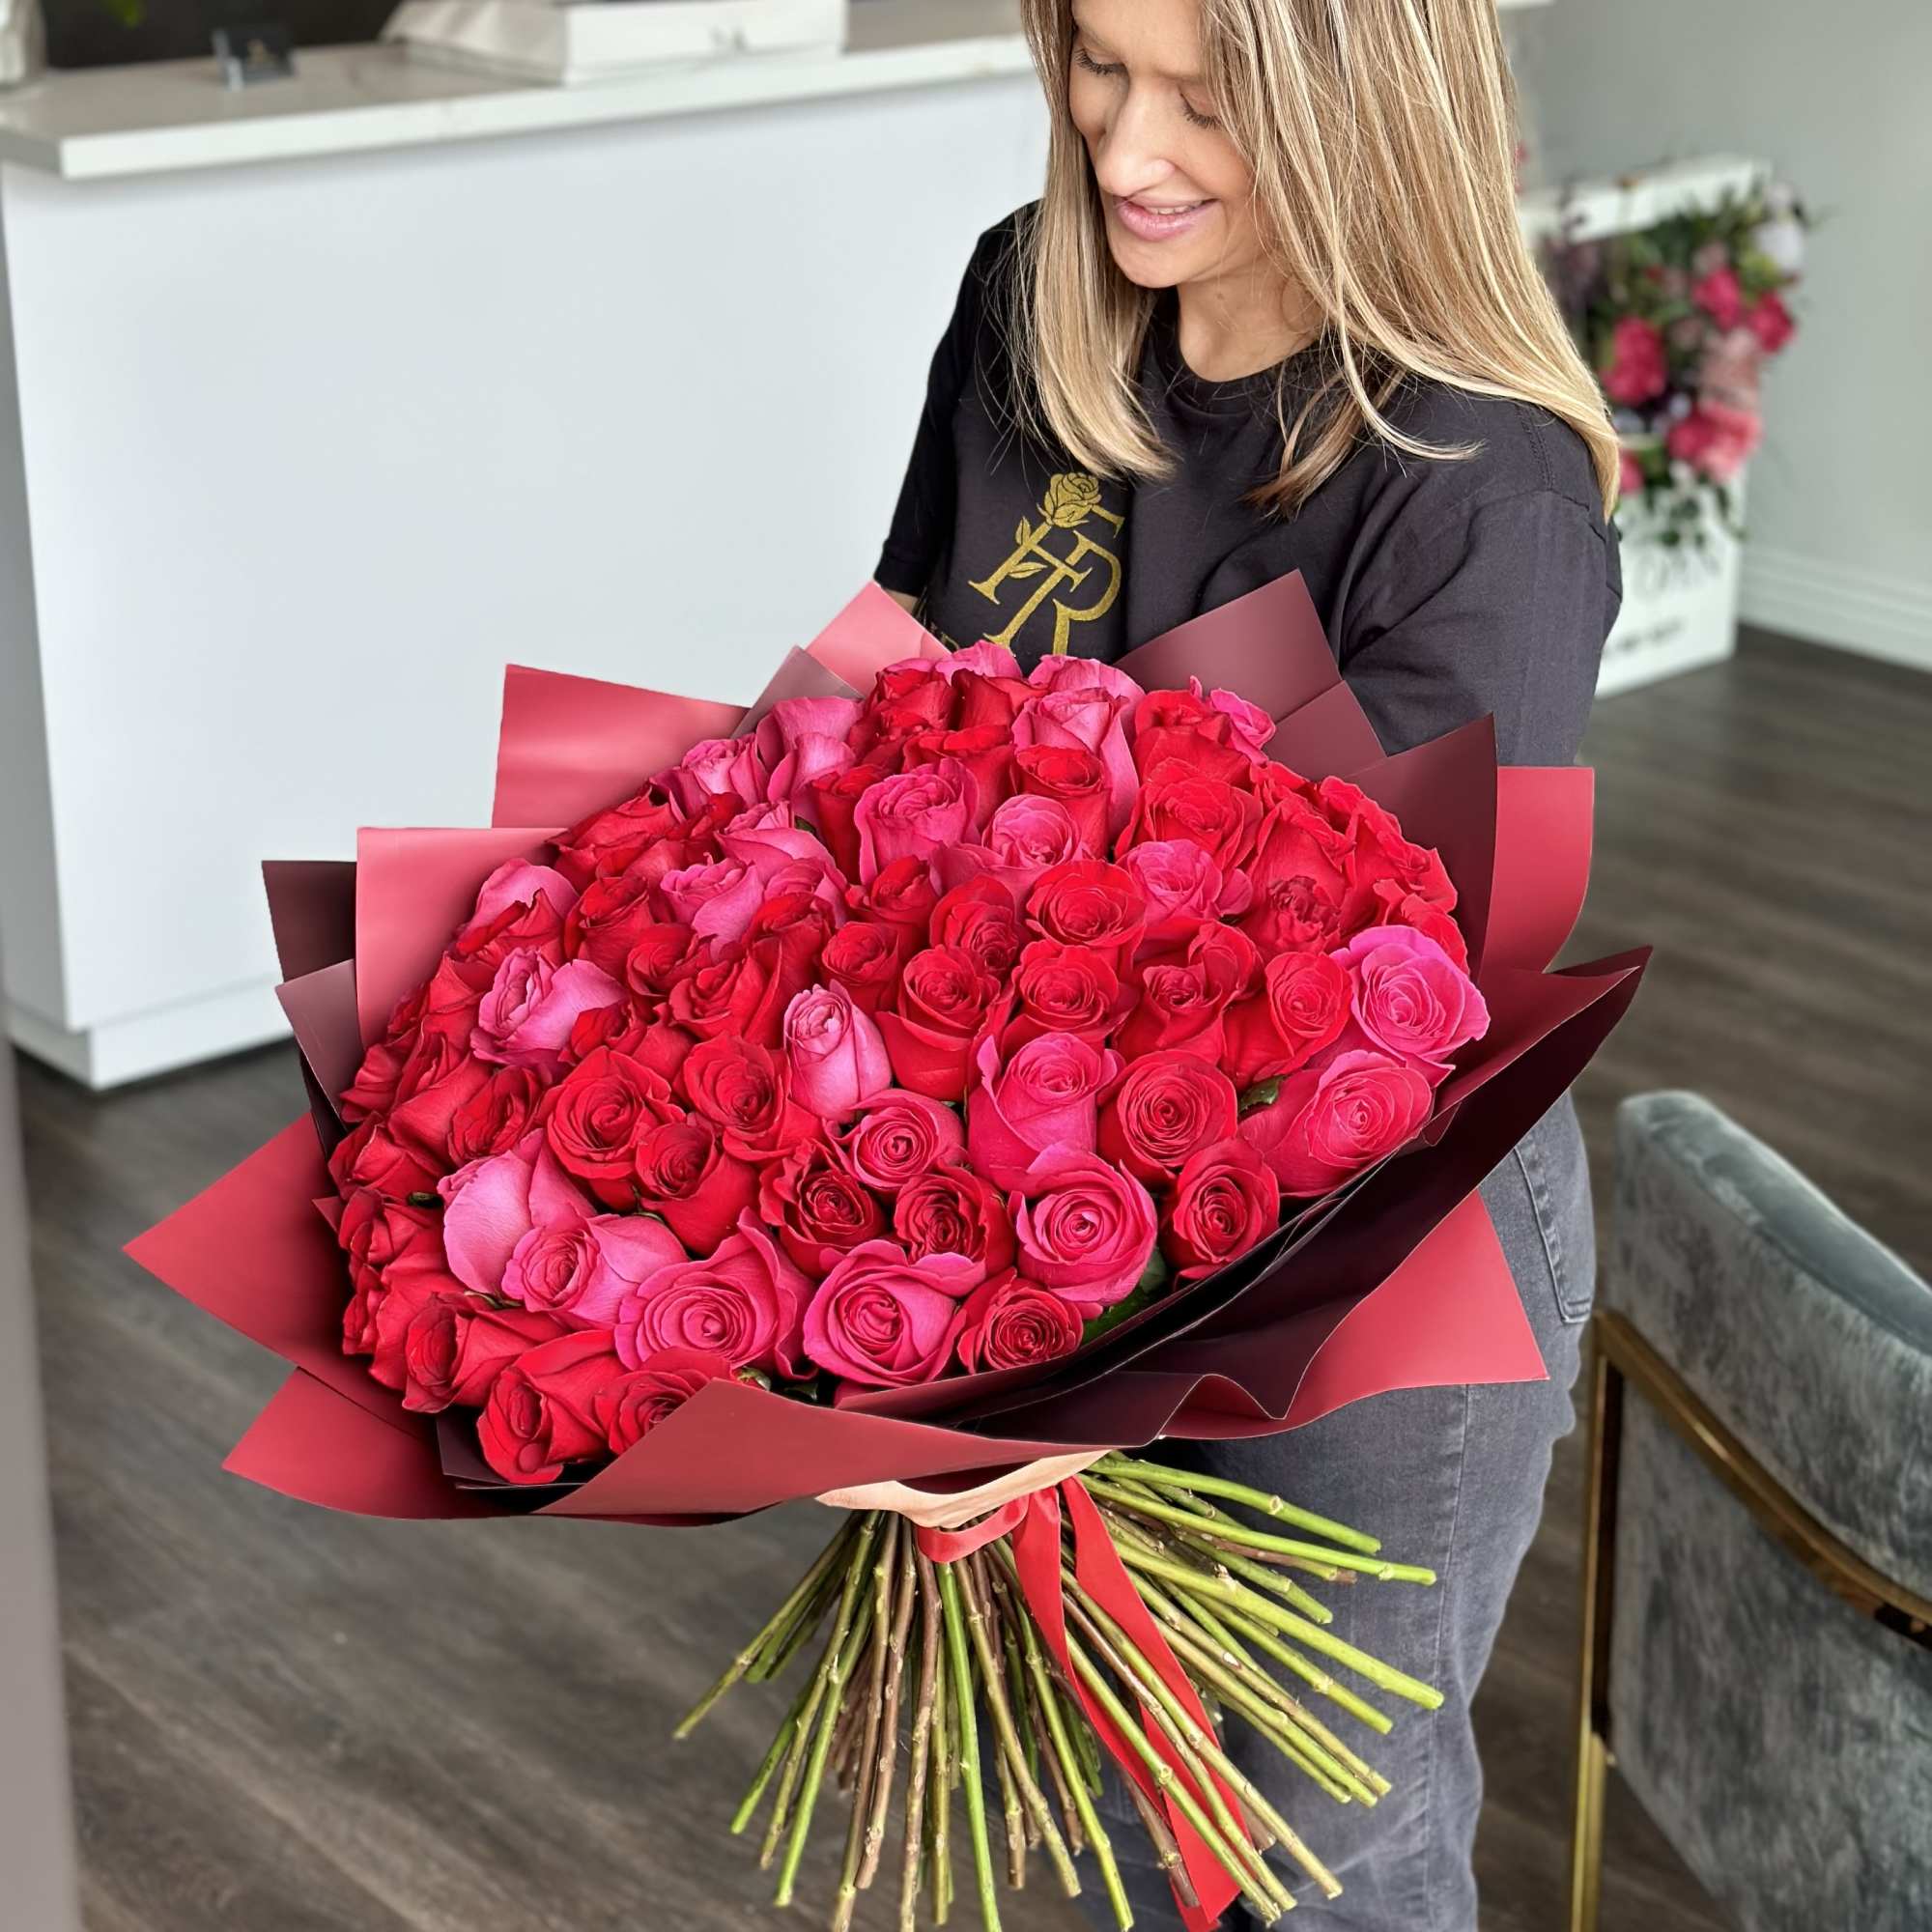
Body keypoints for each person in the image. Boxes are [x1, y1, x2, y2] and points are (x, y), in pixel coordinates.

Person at [872, 1, 1622, 1925]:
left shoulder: (1482, 484)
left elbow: (1426, 1007)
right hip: (1058, 1199)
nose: (1127, 150)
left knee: (1320, 1851)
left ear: (1365, 102)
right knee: (1135, 1794)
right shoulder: (1033, 303)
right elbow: (887, 678)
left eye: (1205, 103)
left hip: (1381, 1246)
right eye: (1094, 68)